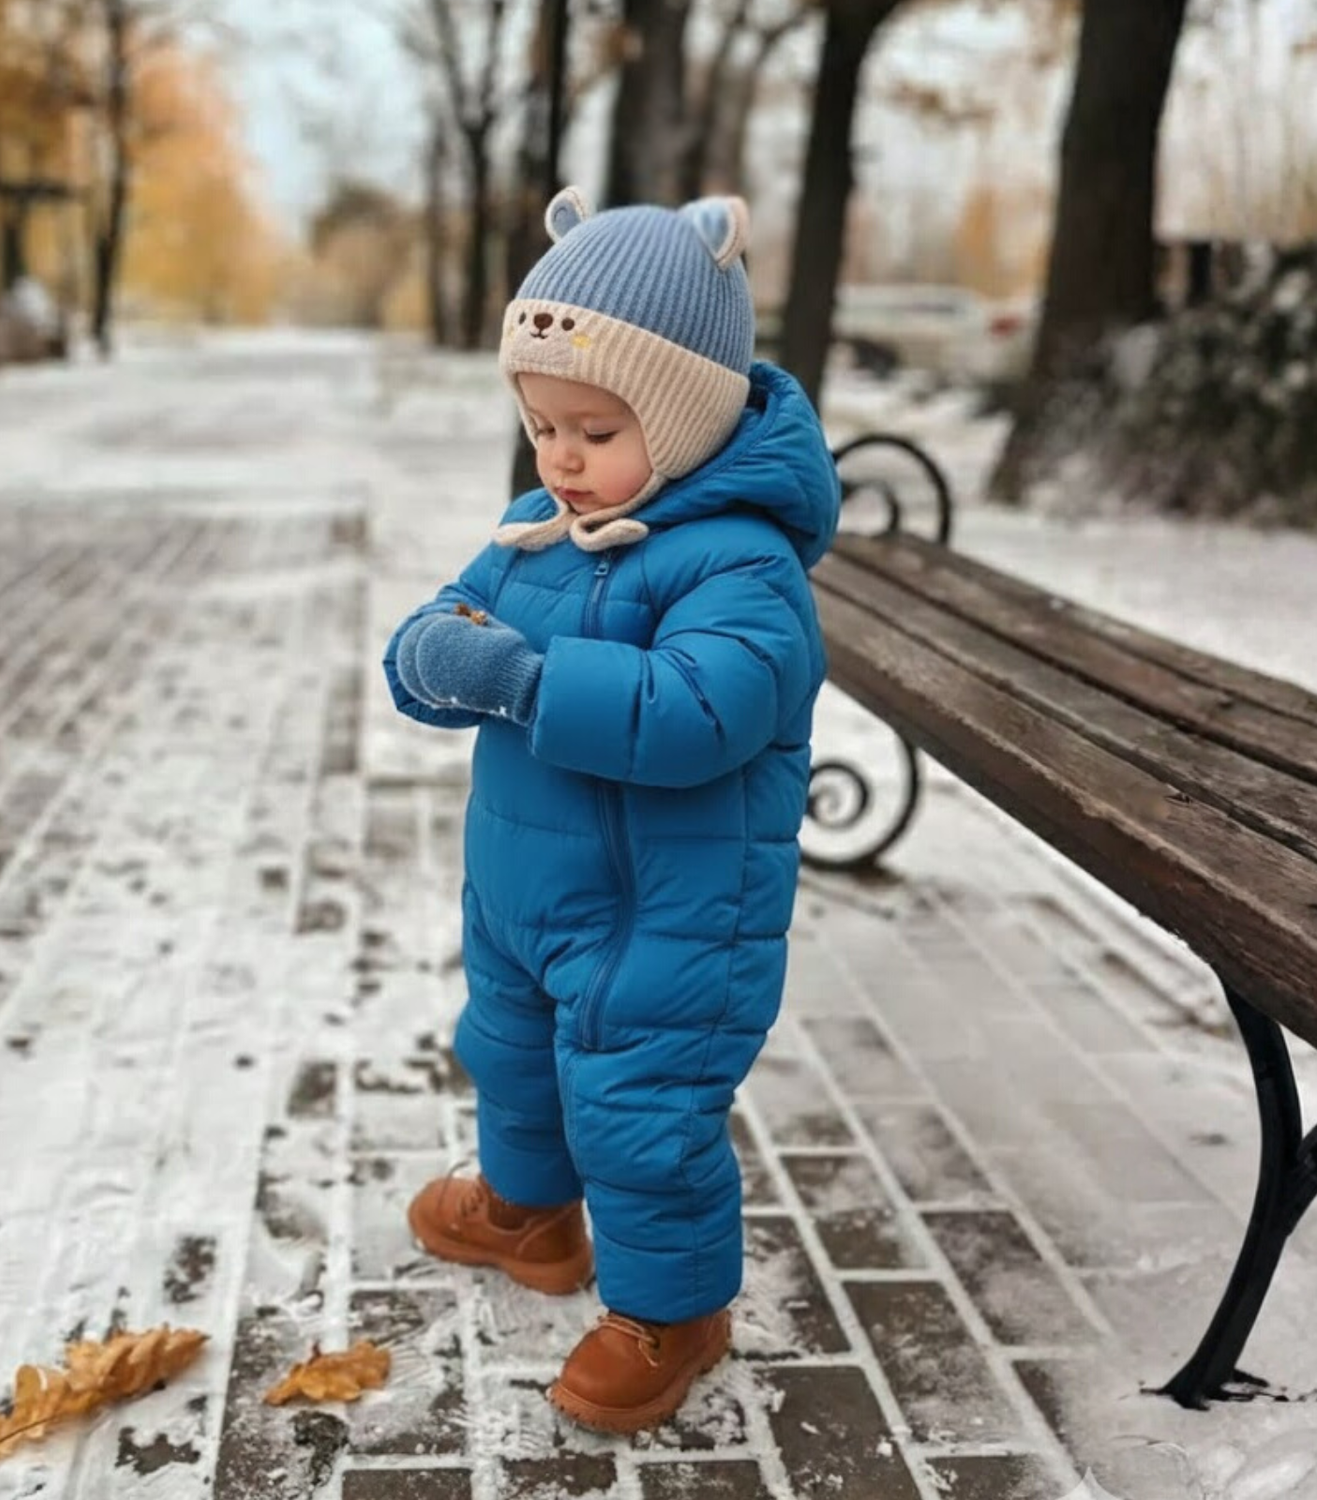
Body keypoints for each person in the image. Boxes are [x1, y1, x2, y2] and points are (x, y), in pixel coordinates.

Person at [383, 185, 841, 1434]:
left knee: (640, 1111)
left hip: (669, 915)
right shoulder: (537, 528)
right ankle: (528, 1213)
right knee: (513, 1054)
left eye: (594, 426)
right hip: (527, 888)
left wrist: (524, 680)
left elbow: (705, 711)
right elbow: (450, 618)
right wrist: (429, 655)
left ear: (687, 417)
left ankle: (673, 1308)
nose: (561, 458)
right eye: (540, 425)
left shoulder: (739, 562)